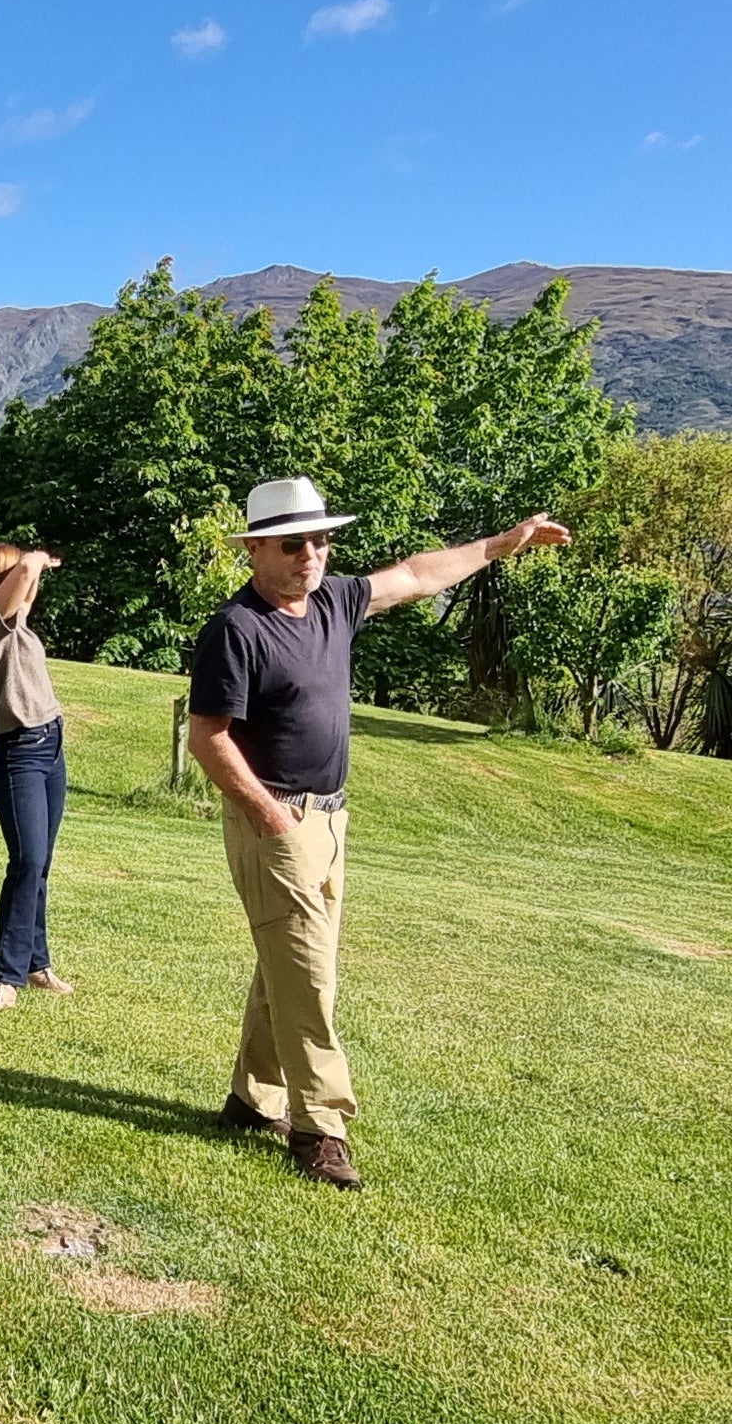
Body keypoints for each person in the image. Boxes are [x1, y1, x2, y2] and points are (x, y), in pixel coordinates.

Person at [188, 476, 571, 1189]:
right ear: (255, 551)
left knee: (293, 965)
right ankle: (320, 1128)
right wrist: (270, 817)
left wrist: (501, 544)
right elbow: (207, 738)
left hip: (332, 818)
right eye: (294, 542)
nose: (312, 555)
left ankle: (252, 1099)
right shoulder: (236, 629)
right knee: (310, 975)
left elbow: (419, 574)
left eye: (322, 539)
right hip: (275, 820)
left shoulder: (333, 601)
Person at [0, 542, 76, 1012]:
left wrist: (36, 572)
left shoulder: (12, 622)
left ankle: (36, 963)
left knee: (39, 863)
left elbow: (25, 589)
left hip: (50, 747)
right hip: (18, 754)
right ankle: (5, 978)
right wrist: (37, 559)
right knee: (26, 862)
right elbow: (25, 570)